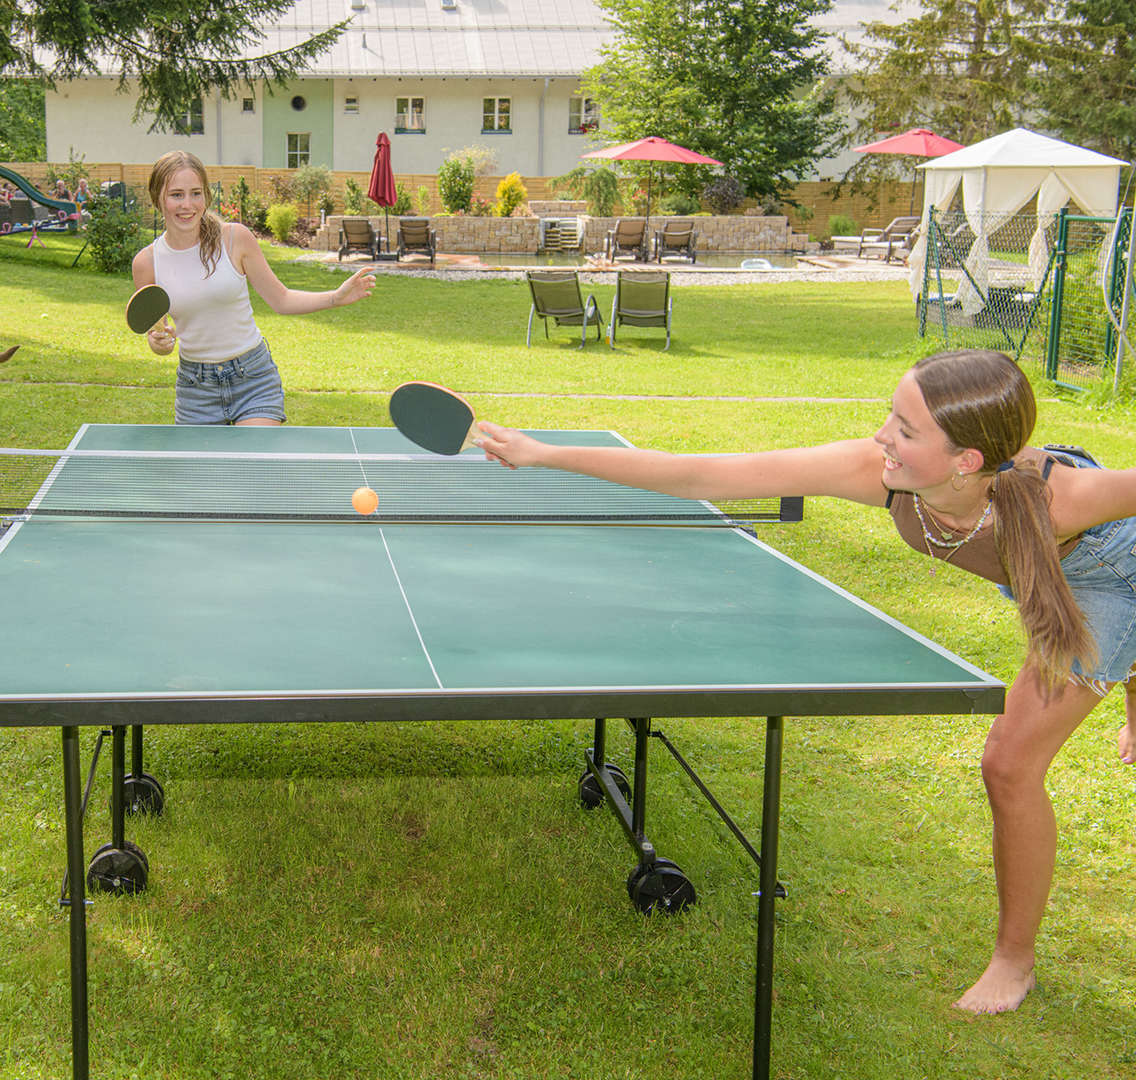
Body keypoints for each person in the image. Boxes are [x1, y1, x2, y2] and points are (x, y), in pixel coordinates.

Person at [474, 348, 1136, 1016]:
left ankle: (1013, 963)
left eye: (905, 430)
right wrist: (543, 453)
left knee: (1009, 765)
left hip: (1116, 569)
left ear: (964, 460)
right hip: (1039, 576)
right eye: (890, 415)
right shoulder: (876, 471)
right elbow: (703, 473)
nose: (882, 435)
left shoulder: (1066, 499)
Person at [133, 149, 376, 425]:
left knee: (253, 466)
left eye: (196, 193)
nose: (188, 204)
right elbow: (160, 338)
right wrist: (159, 342)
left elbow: (281, 299)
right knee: (201, 471)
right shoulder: (146, 263)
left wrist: (335, 297)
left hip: (253, 379)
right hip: (195, 390)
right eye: (176, 194)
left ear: (205, 196)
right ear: (158, 199)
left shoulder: (235, 239)